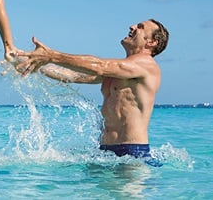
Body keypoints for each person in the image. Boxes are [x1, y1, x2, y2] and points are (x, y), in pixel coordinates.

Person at [16, 19, 169, 164]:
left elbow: (100, 65)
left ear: (151, 42)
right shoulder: (119, 70)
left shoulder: (146, 65)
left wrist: (51, 56)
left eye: (141, 27)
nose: (132, 26)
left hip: (132, 154)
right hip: (104, 152)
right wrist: (29, 63)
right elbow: (72, 76)